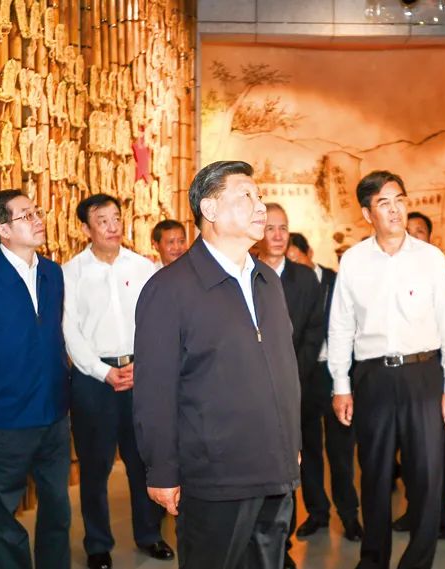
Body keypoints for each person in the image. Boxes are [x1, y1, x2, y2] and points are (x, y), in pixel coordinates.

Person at [133, 161, 301, 569]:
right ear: (209, 209)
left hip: (274, 467)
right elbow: (155, 391)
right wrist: (162, 470)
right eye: (246, 196)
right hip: (214, 476)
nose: (260, 206)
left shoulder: (268, 281)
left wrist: (291, 444)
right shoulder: (169, 289)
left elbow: (285, 371)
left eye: (259, 196)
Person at [328, 170, 445, 569]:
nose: (395, 210)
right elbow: (341, 325)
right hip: (373, 378)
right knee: (375, 474)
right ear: (366, 213)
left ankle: (418, 561)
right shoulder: (354, 261)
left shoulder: (430, 258)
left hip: (423, 374)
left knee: (427, 476)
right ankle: (374, 559)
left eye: (400, 200)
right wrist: (341, 384)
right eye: (384, 203)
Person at [63, 193, 172, 569]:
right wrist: (103, 372)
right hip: (93, 381)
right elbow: (70, 332)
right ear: (85, 229)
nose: (112, 227)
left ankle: (149, 534)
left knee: (144, 462)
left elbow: (158, 322)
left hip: (141, 375)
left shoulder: (143, 267)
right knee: (95, 468)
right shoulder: (71, 273)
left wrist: (144, 365)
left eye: (116, 218)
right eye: (102, 220)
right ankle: (98, 544)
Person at [0, 190, 71, 569]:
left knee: (58, 509)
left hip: (54, 414)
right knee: (1, 515)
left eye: (37, 211)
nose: (38, 220)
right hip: (4, 418)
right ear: (3, 229)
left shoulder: (53, 272)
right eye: (26, 215)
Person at [286, 232, 362, 543]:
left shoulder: (336, 280)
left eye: (297, 258)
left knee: (341, 452)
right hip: (305, 375)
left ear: (309, 253)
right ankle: (317, 513)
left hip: (336, 374)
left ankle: (349, 515)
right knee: (308, 450)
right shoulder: (286, 285)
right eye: (288, 261)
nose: (293, 265)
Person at [260, 203, 325, 569]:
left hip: (299, 388)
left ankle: (284, 543)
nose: (278, 235)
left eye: (283, 228)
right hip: (253, 392)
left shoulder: (305, 278)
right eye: (270, 228)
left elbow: (314, 331)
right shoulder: (246, 274)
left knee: (294, 466)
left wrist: (291, 374)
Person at [393, 211, 445, 538]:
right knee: (409, 447)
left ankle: (440, 514)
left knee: (438, 448)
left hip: (435, 367)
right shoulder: (391, 270)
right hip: (404, 373)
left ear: (430, 236)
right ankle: (415, 509)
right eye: (408, 230)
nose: (412, 236)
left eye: (419, 231)